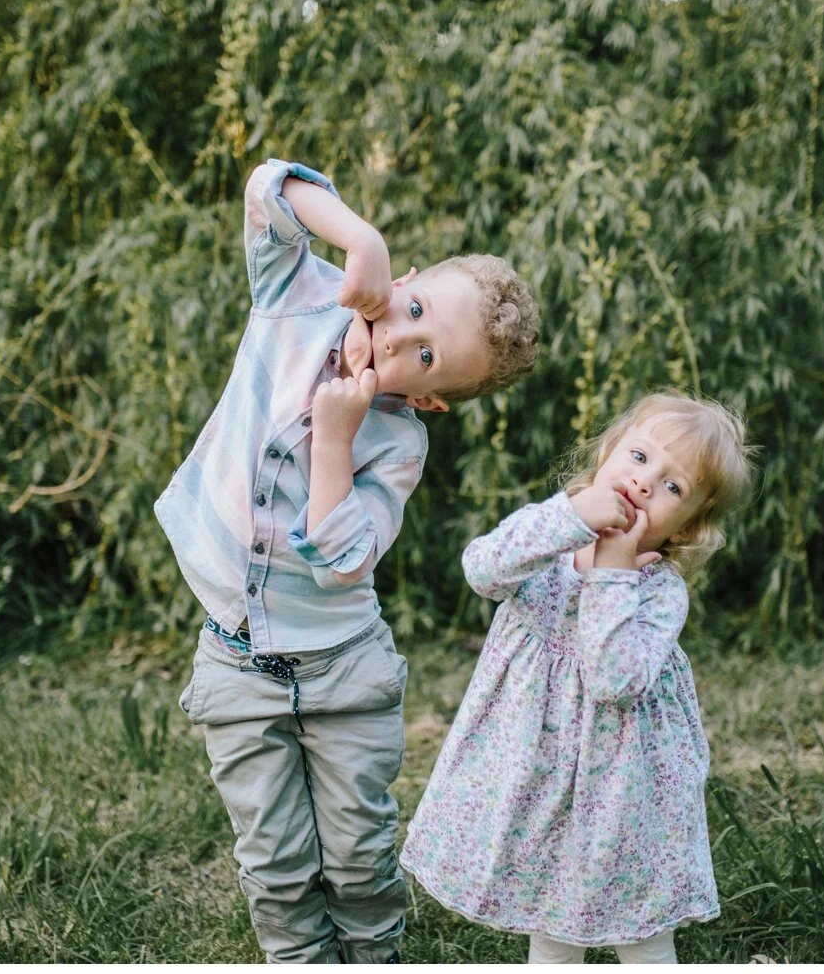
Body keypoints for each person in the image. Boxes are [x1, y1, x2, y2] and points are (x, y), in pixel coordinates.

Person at [155, 158, 540, 963]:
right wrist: (360, 237)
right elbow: (268, 189)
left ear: (428, 398)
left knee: (358, 855)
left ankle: (373, 953)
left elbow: (345, 559)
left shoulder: (397, 441)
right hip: (237, 660)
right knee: (276, 860)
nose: (399, 336)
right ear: (404, 278)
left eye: (425, 356)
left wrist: (335, 439)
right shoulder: (301, 294)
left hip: (343, 672)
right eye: (414, 309)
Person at [400, 389, 756, 964]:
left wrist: (612, 574)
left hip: (621, 789)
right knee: (551, 914)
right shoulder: (550, 541)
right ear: (607, 453)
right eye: (639, 457)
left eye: (673, 487)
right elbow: (481, 569)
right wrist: (567, 519)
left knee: (640, 934)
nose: (645, 482)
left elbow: (614, 680)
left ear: (686, 527)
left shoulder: (659, 592)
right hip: (535, 771)